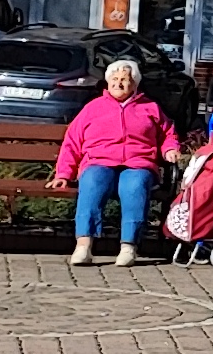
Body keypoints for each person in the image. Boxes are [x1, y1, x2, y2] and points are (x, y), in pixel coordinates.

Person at [55, 56, 182, 265]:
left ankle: (128, 246)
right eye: (114, 79)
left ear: (135, 83)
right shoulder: (93, 108)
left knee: (135, 186)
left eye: (124, 79)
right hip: (99, 161)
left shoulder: (150, 107)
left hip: (138, 162)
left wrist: (170, 149)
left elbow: (168, 133)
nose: (118, 84)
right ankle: (84, 245)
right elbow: (72, 141)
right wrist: (63, 174)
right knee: (92, 182)